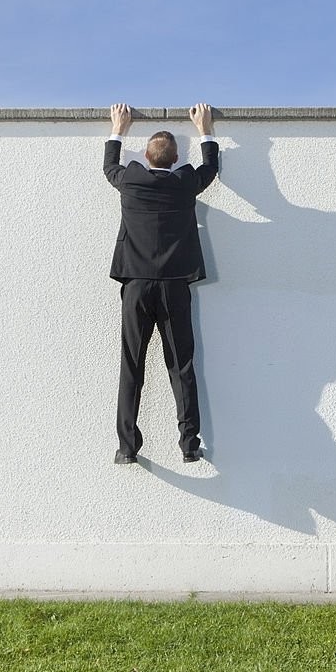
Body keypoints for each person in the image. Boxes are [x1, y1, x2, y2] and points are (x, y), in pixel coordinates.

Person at [104, 102, 219, 465]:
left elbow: (109, 166)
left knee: (131, 364)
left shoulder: (131, 181)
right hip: (173, 287)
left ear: (147, 156)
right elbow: (210, 168)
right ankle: (188, 445)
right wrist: (205, 129)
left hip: (136, 285)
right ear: (174, 159)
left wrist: (118, 128)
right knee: (181, 365)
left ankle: (127, 448)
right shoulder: (185, 184)